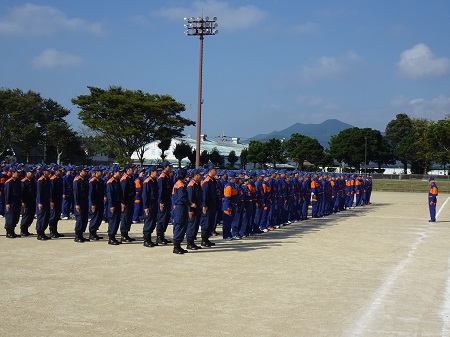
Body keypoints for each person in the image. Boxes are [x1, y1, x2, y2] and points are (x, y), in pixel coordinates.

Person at [171, 168, 190, 254]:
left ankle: (178, 245)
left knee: (180, 225)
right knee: (180, 225)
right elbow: (182, 198)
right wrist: (190, 203)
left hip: (179, 207)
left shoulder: (177, 183)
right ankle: (176, 246)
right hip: (181, 207)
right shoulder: (181, 185)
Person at [200, 164, 218, 247]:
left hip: (213, 204)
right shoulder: (207, 181)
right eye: (214, 170)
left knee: (210, 222)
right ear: (210, 171)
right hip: (208, 205)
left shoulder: (213, 180)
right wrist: (204, 205)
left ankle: (207, 239)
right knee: (206, 222)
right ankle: (204, 240)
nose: (216, 171)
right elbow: (204, 194)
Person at [156, 161, 173, 245]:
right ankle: (159, 236)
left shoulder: (167, 176)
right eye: (168, 166)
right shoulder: (162, 177)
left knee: (166, 218)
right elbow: (160, 191)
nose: (170, 168)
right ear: (165, 167)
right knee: (162, 219)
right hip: (163, 200)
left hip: (167, 199)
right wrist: (161, 202)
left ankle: (162, 235)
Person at [141, 166, 159, 247]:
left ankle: (149, 238)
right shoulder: (147, 181)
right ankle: (146, 239)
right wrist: (146, 207)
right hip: (149, 204)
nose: (157, 173)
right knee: (148, 221)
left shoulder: (154, 181)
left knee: (152, 222)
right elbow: (145, 195)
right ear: (152, 172)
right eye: (156, 171)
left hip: (154, 203)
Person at [186, 169, 202, 250]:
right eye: (200, 175)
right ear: (196, 175)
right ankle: (189, 242)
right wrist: (190, 210)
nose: (201, 176)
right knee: (192, 225)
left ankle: (192, 242)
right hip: (193, 209)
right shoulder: (191, 185)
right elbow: (189, 199)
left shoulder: (197, 184)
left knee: (195, 225)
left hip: (198, 208)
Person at [4, 167, 22, 238]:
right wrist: (7, 203)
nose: (19, 174)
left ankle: (13, 231)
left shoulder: (18, 181)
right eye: (17, 172)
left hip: (17, 201)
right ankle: (8, 232)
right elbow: (7, 194)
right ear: (13, 173)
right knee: (10, 217)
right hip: (11, 202)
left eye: (19, 173)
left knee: (15, 217)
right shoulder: (9, 182)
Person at [106, 167, 123, 245]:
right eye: (119, 172)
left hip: (118, 203)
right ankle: (111, 238)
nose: (121, 173)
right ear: (115, 172)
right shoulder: (111, 182)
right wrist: (111, 205)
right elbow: (110, 195)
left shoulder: (117, 181)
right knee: (113, 220)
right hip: (113, 204)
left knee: (116, 220)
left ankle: (114, 236)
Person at [73, 166, 90, 242]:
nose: (86, 172)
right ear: (80, 171)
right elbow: (76, 193)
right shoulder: (77, 180)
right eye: (84, 171)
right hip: (79, 202)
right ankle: (77, 235)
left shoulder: (85, 180)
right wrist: (77, 204)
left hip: (85, 201)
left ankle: (81, 234)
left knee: (84, 218)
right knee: (79, 219)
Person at [120, 164, 136, 242]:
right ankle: (123, 234)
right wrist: (122, 203)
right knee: (125, 218)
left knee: (129, 218)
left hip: (130, 201)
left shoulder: (131, 178)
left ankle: (126, 233)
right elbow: (122, 191)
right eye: (131, 169)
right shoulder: (124, 179)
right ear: (127, 170)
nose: (132, 170)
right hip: (125, 202)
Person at [88, 166, 105, 240]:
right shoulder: (93, 181)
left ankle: (95, 232)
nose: (101, 173)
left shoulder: (100, 180)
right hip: (95, 202)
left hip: (100, 201)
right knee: (95, 217)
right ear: (95, 172)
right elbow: (91, 194)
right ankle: (92, 233)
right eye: (99, 171)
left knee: (99, 217)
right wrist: (92, 204)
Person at [36, 165, 52, 240]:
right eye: (47, 171)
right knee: (41, 217)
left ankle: (43, 232)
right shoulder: (40, 180)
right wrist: (39, 202)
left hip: (47, 200)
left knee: (46, 217)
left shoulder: (48, 179)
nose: (49, 172)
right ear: (43, 172)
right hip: (42, 201)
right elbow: (39, 193)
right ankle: (39, 233)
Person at [20, 165, 37, 236]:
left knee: (31, 215)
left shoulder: (33, 181)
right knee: (26, 215)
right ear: (27, 173)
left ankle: (26, 229)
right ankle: (23, 230)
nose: (32, 173)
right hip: (26, 201)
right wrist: (23, 202)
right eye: (31, 172)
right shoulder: (24, 182)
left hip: (32, 201)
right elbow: (21, 193)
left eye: (33, 172)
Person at [49, 165, 64, 238]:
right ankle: (52, 231)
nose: (60, 172)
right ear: (55, 171)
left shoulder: (60, 179)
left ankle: (55, 231)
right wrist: (51, 201)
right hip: (53, 200)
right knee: (53, 216)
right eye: (59, 170)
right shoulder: (52, 179)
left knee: (57, 215)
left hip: (58, 199)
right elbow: (51, 191)